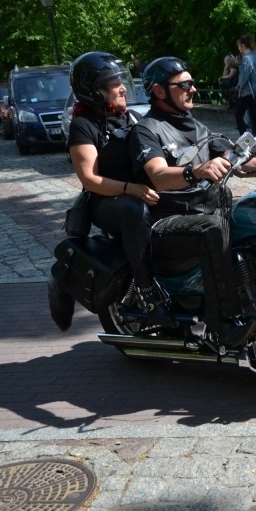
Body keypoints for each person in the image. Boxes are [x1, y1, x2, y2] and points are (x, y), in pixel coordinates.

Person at [128, 57, 256, 347]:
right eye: (184, 85)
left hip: (207, 213)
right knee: (212, 230)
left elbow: (239, 163)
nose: (192, 89)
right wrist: (196, 171)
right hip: (167, 224)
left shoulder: (197, 128)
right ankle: (224, 325)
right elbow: (157, 175)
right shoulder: (147, 129)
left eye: (192, 84)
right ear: (159, 91)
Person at [48, 51, 172, 331]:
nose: (123, 87)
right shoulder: (83, 126)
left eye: (122, 80)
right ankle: (146, 289)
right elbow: (90, 179)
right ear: (95, 91)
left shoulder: (130, 118)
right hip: (106, 202)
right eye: (114, 83)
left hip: (137, 191)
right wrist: (132, 189)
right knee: (133, 209)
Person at [235, 34, 256, 137]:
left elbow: (244, 76)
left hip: (248, 91)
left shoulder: (246, 58)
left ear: (243, 45)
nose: (238, 48)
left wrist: (238, 87)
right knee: (254, 115)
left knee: (238, 114)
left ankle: (244, 139)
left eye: (239, 45)